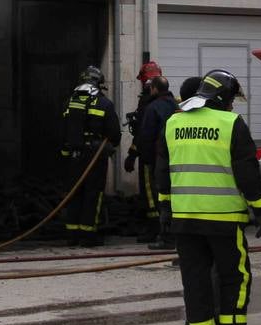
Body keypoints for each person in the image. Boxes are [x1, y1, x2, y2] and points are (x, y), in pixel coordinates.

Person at [155, 69, 261, 325]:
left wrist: (164, 206)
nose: (232, 104)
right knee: (235, 276)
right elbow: (247, 172)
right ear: (222, 97)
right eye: (231, 98)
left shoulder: (174, 122)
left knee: (194, 277)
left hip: (184, 218)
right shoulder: (231, 123)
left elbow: (162, 170)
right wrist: (260, 209)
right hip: (224, 218)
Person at [60, 65, 121, 246]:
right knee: (93, 194)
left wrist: (67, 154)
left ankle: (72, 236)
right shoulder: (104, 103)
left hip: (73, 156)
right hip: (95, 156)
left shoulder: (70, 102)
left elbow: (63, 131)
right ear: (98, 82)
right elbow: (115, 134)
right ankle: (88, 236)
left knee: (73, 193)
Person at [135, 75, 179, 249]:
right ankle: (171, 234)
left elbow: (146, 135)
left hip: (156, 159)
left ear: (153, 88)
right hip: (176, 158)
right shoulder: (176, 105)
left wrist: (143, 158)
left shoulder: (152, 107)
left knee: (157, 196)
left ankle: (163, 234)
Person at [124, 60, 165, 240]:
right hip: (165, 155)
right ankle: (165, 228)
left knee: (149, 193)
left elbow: (142, 135)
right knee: (163, 191)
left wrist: (132, 155)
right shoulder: (169, 100)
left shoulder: (146, 102)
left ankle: (154, 229)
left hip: (149, 155)